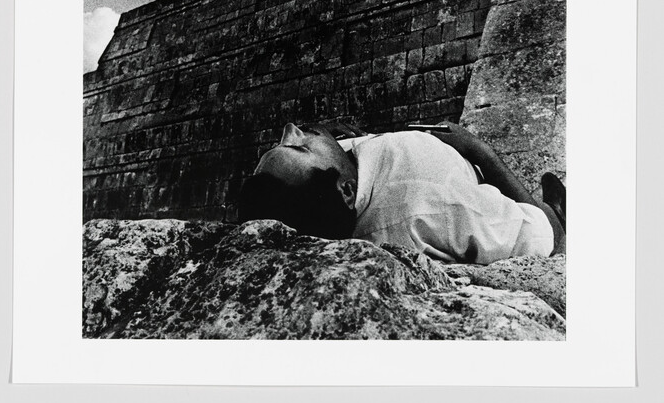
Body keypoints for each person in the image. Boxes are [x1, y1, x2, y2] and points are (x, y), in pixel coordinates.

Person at [238, 122, 566, 264]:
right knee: (548, 216)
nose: (291, 129)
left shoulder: (332, 191)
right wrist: (481, 151)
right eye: (300, 147)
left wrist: (337, 139)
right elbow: (536, 235)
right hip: (476, 183)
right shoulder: (426, 207)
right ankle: (560, 206)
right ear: (347, 191)